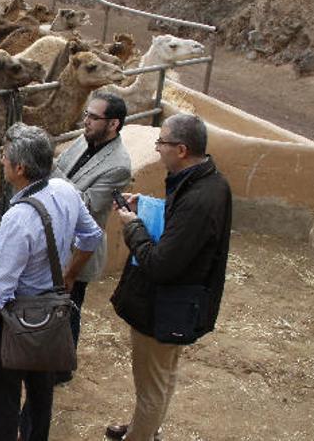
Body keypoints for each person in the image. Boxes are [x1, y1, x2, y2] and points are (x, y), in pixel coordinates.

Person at [107, 114, 232, 440]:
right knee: (162, 376)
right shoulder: (206, 181)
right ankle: (143, 429)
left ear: (180, 149)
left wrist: (133, 225)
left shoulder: (199, 199)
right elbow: (181, 222)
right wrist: (147, 205)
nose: (157, 148)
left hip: (165, 305)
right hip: (179, 303)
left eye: (161, 142)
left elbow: (160, 264)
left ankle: (142, 435)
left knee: (153, 385)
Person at [0, 123, 103, 441]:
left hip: (13, 318)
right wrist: (70, 274)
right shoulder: (65, 190)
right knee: (40, 395)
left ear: (19, 168)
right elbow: (91, 236)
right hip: (50, 313)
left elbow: (0, 287)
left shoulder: (17, 218)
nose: (1, 161)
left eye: (4, 157)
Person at [54, 92, 132, 377]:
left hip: (79, 248)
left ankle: (63, 368)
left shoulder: (119, 164)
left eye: (93, 117)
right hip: (56, 238)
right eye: (87, 114)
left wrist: (47, 170)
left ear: (113, 125)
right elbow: (63, 168)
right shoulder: (84, 138)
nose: (85, 121)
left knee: (69, 309)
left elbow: (86, 203)